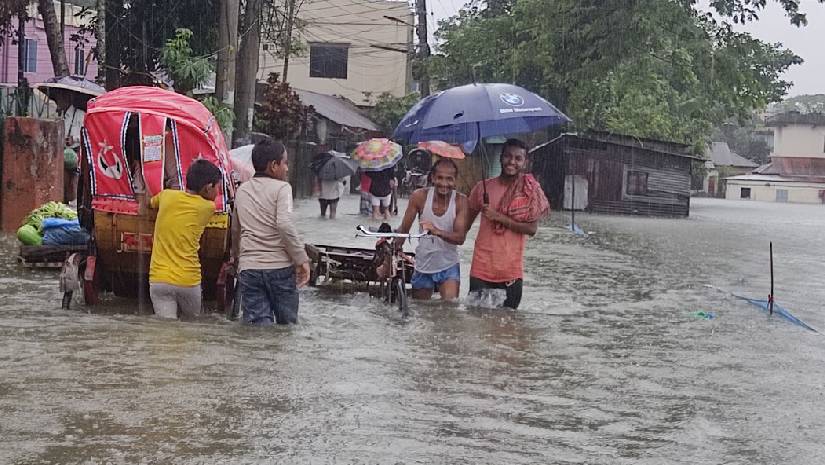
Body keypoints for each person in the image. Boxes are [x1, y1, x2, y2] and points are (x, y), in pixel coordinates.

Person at [232, 139, 310, 325]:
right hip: (280, 269)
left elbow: (236, 229)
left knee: (258, 328)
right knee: (287, 326)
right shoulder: (283, 188)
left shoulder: (242, 190)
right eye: (285, 163)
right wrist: (301, 259)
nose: (287, 169)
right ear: (273, 165)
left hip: (249, 269)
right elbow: (284, 224)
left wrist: (237, 257)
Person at [466, 138, 550, 309]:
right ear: (500, 158)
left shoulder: (529, 191)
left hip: (511, 274)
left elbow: (531, 229)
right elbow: (463, 226)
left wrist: (498, 217)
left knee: (508, 330)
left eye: (518, 158)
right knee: (477, 327)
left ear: (525, 162)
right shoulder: (482, 188)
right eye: (507, 156)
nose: (512, 162)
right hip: (481, 270)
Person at [148, 159, 222, 319]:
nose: (218, 193)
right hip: (188, 281)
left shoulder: (166, 196)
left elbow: (151, 203)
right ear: (208, 187)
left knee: (164, 331)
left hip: (159, 279)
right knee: (191, 329)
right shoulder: (208, 208)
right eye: (218, 188)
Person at [396, 158, 468, 301]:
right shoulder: (419, 197)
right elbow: (404, 229)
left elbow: (460, 238)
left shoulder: (461, 201)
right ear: (432, 178)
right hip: (423, 264)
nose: (444, 183)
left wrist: (437, 231)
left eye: (449, 179)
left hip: (449, 265)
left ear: (455, 181)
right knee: (422, 312)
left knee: (449, 311)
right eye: (439, 178)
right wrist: (395, 248)